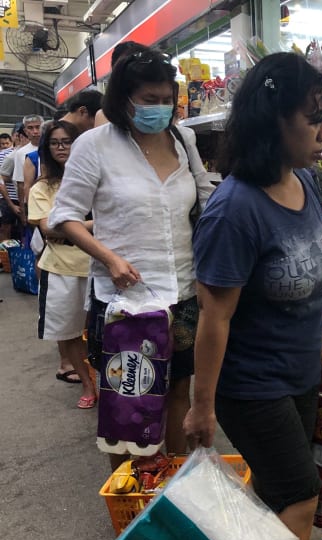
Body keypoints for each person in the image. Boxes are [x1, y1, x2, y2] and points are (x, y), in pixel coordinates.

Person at [184, 52, 322, 540]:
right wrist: (201, 408)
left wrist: (321, 357)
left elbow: (319, 283)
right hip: (250, 385)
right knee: (299, 496)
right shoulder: (233, 211)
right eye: (312, 118)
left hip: (298, 374)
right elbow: (214, 317)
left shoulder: (306, 181)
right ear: (274, 119)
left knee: (281, 496)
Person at [48, 45, 214, 464]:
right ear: (124, 99)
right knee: (127, 396)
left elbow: (207, 198)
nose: (160, 109)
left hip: (182, 290)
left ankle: (171, 484)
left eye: (166, 100)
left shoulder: (183, 139)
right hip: (124, 299)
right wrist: (109, 258)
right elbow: (63, 217)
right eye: (149, 100)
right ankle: (130, 492)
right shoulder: (95, 146)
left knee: (177, 388)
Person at [27, 120, 98, 408]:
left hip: (100, 268)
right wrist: (98, 223)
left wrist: (68, 225)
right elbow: (49, 230)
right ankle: (88, 385)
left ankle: (107, 385)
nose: (61, 148)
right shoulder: (42, 188)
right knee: (68, 334)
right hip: (61, 271)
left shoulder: (96, 179)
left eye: (67, 141)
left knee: (105, 334)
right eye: (55, 142)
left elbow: (59, 227)